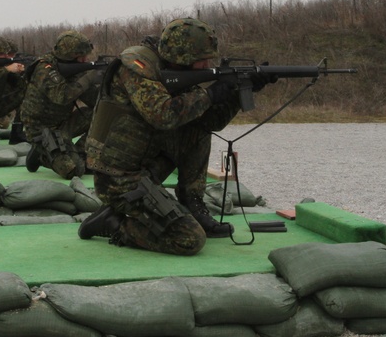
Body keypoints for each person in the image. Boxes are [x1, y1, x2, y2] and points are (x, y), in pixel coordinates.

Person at [79, 18, 273, 256]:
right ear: (182, 56)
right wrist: (210, 94)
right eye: (202, 60)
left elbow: (211, 122)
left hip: (147, 163)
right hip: (119, 178)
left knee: (197, 127)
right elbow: (163, 115)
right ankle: (113, 224)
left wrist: (237, 92)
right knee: (189, 239)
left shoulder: (180, 70)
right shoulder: (136, 66)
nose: (206, 65)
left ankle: (192, 202)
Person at [20, 30, 102, 178]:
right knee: (73, 171)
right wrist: (89, 78)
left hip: (62, 125)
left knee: (101, 114)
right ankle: (40, 153)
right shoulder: (44, 68)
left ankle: (80, 154)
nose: (85, 60)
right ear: (69, 55)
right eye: (81, 57)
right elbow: (62, 96)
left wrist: (108, 84)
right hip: (40, 130)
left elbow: (94, 100)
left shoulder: (74, 69)